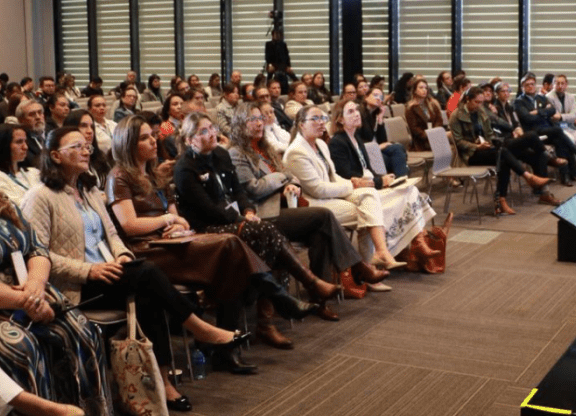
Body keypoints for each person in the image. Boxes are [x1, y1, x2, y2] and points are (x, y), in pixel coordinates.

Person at [22, 127, 251, 404]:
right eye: (76, 147)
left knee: (148, 295)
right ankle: (199, 328)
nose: (86, 151)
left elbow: (114, 236)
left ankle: (163, 383)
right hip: (77, 284)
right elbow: (37, 252)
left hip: (111, 272)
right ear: (56, 155)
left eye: (87, 146)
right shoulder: (40, 196)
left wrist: (121, 256)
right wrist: (89, 270)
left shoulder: (89, 190)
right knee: (149, 273)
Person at [0, 134, 113, 414]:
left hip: (31, 291)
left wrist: (36, 288)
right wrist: (27, 302)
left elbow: (37, 249)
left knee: (82, 332)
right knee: (21, 348)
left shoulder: (0, 203)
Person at [172, 113, 329, 345]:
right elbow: (209, 208)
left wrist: (247, 212)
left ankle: (275, 311)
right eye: (203, 131)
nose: (212, 133)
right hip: (207, 228)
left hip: (233, 220)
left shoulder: (222, 154)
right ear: (189, 140)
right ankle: (294, 293)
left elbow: (239, 192)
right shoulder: (185, 168)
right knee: (263, 233)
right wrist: (241, 219)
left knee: (265, 234)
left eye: (212, 128)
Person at [228, 104, 388, 310]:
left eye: (261, 118)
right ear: (240, 124)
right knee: (324, 216)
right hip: (263, 214)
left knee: (320, 234)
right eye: (253, 119)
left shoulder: (266, 147)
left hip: (285, 206)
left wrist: (291, 182)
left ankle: (320, 300)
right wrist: (283, 178)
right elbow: (254, 188)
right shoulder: (237, 152)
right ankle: (358, 266)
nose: (260, 123)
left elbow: (292, 176)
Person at [285, 105, 427, 275]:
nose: (321, 123)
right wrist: (354, 184)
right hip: (313, 203)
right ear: (301, 124)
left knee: (372, 196)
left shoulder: (322, 144)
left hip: (334, 193)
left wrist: (356, 182)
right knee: (369, 211)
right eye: (315, 119)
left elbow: (333, 175)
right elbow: (317, 189)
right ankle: (369, 268)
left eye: (322, 118)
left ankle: (380, 256)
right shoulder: (297, 152)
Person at [450, 87, 557, 214]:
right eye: (476, 102)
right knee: (503, 154)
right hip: (470, 155)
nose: (479, 105)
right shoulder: (456, 115)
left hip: (487, 148)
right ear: (467, 100)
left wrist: (490, 142)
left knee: (529, 144)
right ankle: (529, 177)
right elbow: (459, 143)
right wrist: (478, 146)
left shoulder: (480, 112)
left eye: (481, 103)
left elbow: (489, 133)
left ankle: (504, 200)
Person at [515, 74, 576, 185]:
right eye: (527, 85)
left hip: (546, 129)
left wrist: (538, 112)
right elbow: (528, 118)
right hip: (534, 132)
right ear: (522, 87)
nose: (530, 87)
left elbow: (552, 110)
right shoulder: (519, 102)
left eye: (532, 84)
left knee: (560, 142)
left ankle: (565, 176)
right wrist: (544, 112)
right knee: (557, 131)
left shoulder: (540, 97)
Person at [358, 87, 409, 177]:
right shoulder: (359, 114)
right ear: (366, 97)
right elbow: (357, 139)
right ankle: (403, 181)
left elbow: (383, 140)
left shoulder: (375, 114)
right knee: (393, 158)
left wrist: (380, 119)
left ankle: (402, 180)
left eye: (381, 97)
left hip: (377, 148)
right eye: (375, 95)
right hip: (366, 150)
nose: (378, 98)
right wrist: (377, 146)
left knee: (398, 148)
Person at [0, 123, 41, 205]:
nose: (25, 147)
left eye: (25, 141)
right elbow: (17, 208)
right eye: (19, 142)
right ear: (3, 145)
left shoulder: (34, 172)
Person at [63, 110, 111, 190]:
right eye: (83, 126)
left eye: (91, 126)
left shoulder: (99, 155)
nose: (90, 131)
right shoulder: (68, 161)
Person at [404, 78, 444, 152]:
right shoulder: (410, 108)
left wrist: (434, 133)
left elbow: (439, 120)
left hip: (434, 136)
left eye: (426, 88)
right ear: (415, 91)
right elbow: (415, 129)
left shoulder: (432, 104)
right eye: (421, 88)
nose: (424, 90)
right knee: (449, 138)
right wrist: (430, 136)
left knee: (452, 141)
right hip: (421, 142)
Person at [15, 99, 46, 169]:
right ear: (21, 120)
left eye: (40, 113)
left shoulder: (51, 133)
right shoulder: (20, 142)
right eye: (32, 114)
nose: (38, 117)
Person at [265, 27, 293, 93]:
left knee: (293, 77)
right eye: (275, 34)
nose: (277, 36)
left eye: (278, 34)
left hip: (283, 64)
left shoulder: (283, 44)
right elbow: (267, 56)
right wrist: (269, 65)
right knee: (269, 77)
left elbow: (287, 56)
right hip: (273, 64)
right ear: (272, 35)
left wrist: (289, 66)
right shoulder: (268, 44)